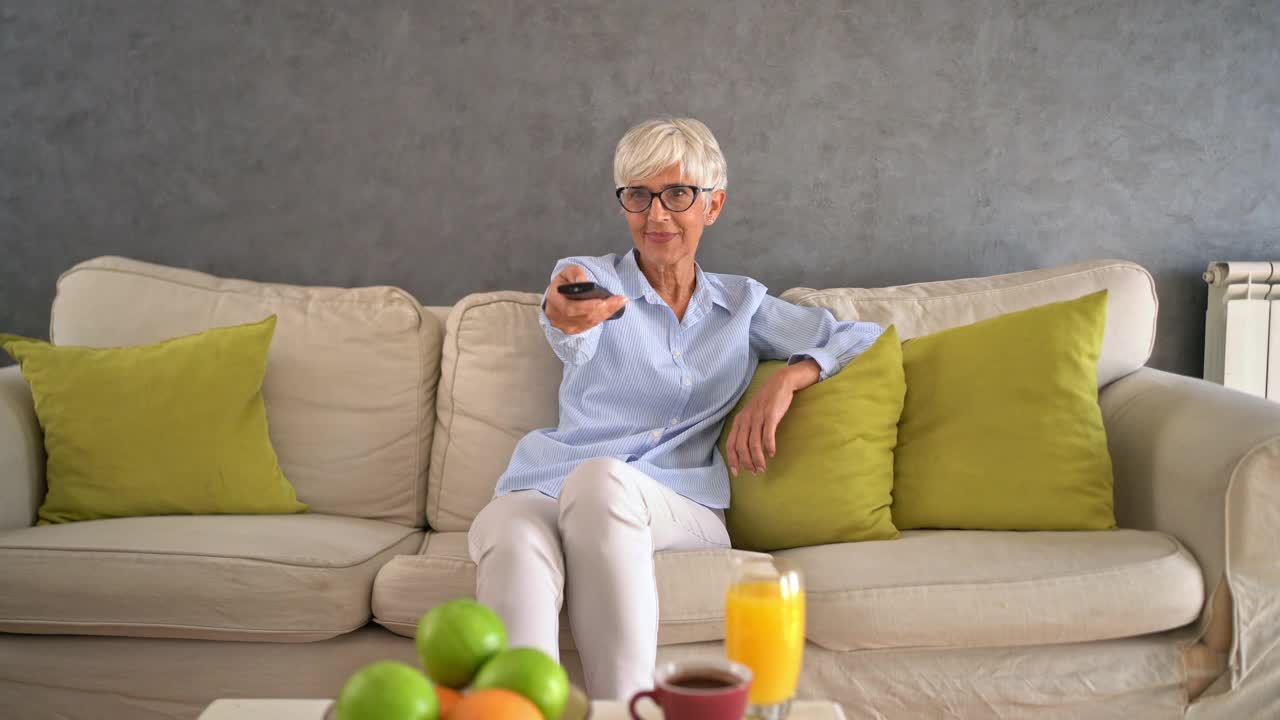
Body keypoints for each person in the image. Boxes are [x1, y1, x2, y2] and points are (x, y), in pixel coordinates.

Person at [467, 117, 884, 699]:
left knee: (601, 483)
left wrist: (788, 377)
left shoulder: (742, 304)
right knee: (508, 525)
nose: (656, 214)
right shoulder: (595, 280)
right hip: (550, 483)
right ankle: (520, 713)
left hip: (677, 499)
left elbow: (859, 335)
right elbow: (567, 315)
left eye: (677, 194)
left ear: (712, 206)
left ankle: (627, 710)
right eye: (638, 195)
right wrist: (565, 311)